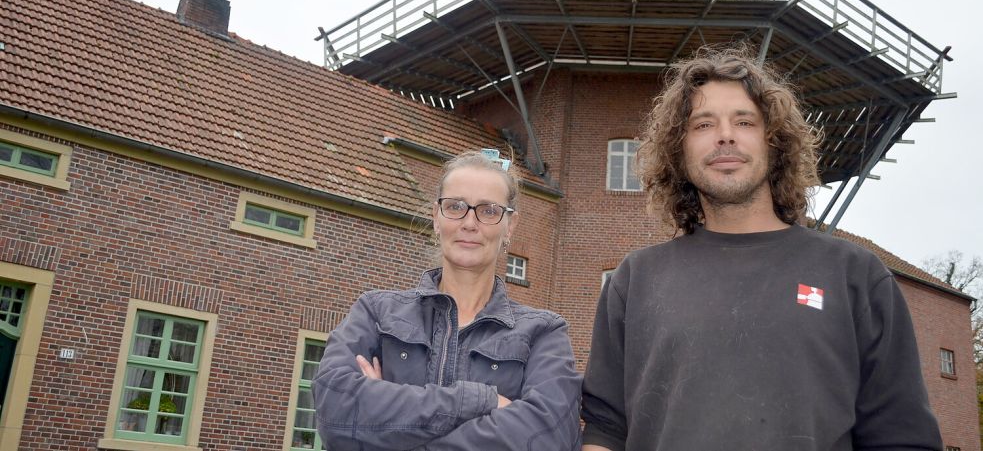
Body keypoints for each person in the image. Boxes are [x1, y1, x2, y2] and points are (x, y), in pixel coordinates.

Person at [580, 48, 943, 451]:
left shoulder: (854, 274)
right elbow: (605, 428)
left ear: (774, 143)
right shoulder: (636, 278)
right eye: (703, 124)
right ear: (678, 152)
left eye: (744, 121)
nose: (725, 135)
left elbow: (901, 434)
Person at [313, 149, 581, 451]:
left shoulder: (543, 332)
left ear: (511, 226)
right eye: (455, 207)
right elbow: (335, 411)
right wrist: (480, 401)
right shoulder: (376, 312)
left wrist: (387, 425)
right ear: (436, 217)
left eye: (489, 211)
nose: (469, 223)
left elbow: (549, 438)